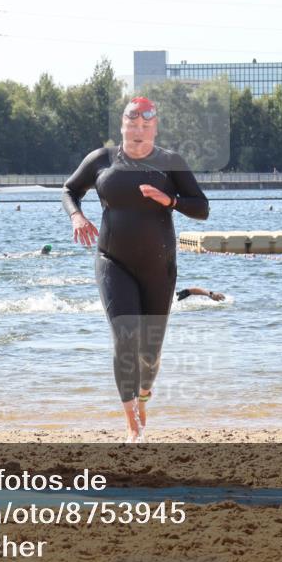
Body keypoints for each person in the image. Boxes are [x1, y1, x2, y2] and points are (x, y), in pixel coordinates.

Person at [62, 96, 209, 442]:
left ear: (155, 128)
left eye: (146, 124)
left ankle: (143, 395)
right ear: (122, 124)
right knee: (124, 338)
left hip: (159, 267)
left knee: (149, 354)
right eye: (132, 123)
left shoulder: (170, 163)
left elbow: (202, 208)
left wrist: (170, 201)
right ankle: (131, 423)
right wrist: (77, 216)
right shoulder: (102, 160)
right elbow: (69, 189)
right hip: (113, 261)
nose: (138, 130)